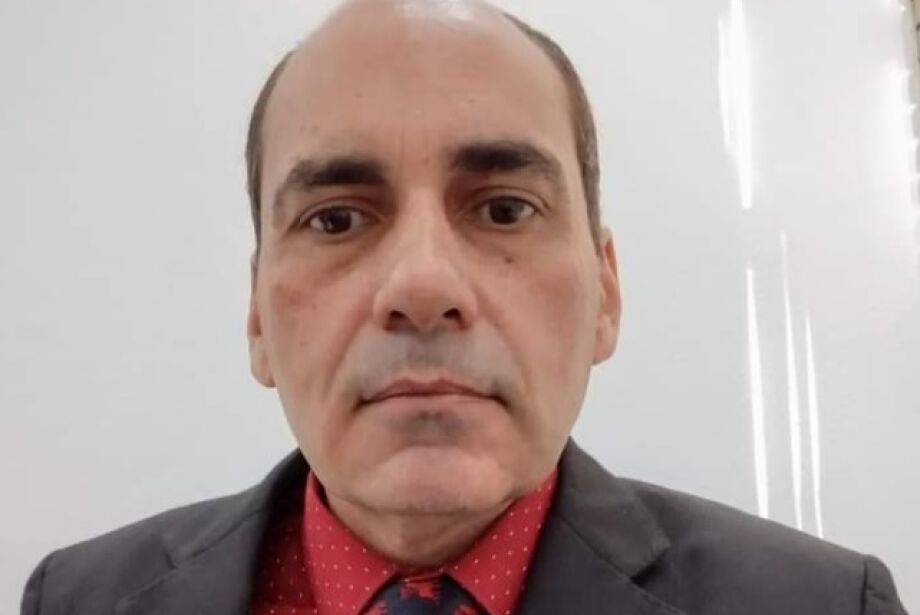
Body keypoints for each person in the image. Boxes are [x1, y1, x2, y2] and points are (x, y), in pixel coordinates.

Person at [20, 0, 908, 613]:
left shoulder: (825, 603)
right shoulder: (77, 599)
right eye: (337, 219)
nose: (423, 287)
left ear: (606, 291)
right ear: (257, 312)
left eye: (504, 210)